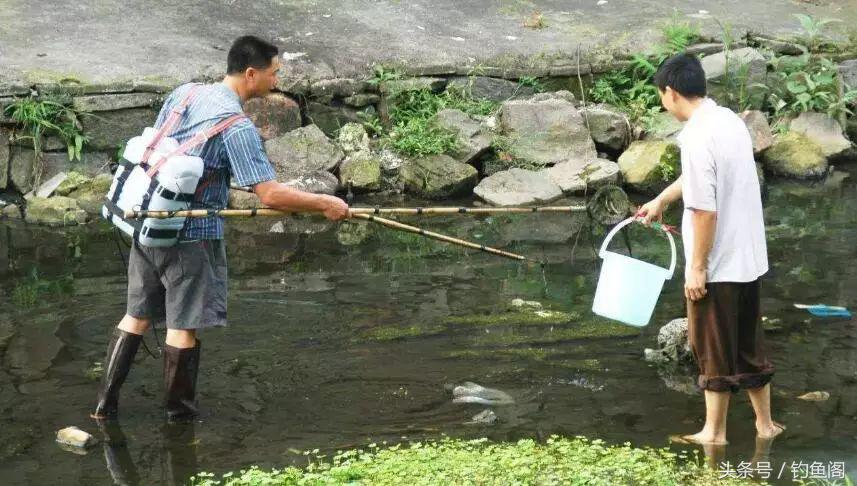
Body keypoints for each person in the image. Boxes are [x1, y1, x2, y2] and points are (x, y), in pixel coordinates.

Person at [91, 35, 350, 421]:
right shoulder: (236, 126)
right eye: (273, 74)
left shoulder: (185, 93)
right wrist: (325, 202)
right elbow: (270, 195)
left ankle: (103, 408)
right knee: (182, 328)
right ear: (250, 73)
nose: (276, 82)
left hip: (148, 223)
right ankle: (179, 421)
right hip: (191, 238)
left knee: (136, 316)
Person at [637, 53, 784, 445]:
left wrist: (697, 268)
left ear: (670, 92)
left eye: (660, 95)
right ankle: (765, 424)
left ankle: (714, 433)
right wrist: (662, 200)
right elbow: (701, 177)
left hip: (719, 263)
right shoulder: (728, 120)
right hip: (749, 256)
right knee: (749, 342)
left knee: (711, 346)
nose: (662, 102)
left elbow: (704, 209)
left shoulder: (697, 137)